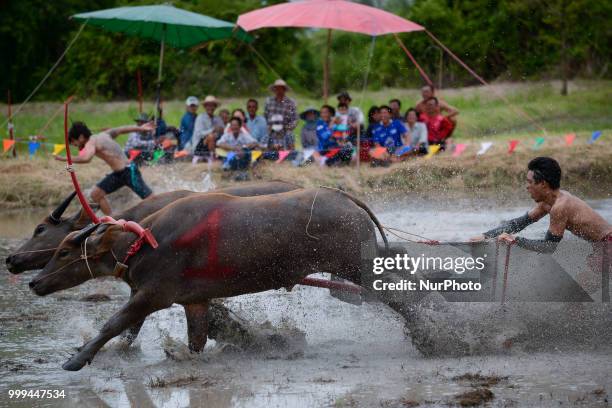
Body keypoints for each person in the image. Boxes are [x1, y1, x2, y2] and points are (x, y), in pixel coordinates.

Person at [55, 121, 154, 215]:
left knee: (150, 199)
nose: (75, 146)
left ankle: (165, 208)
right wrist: (141, 128)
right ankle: (113, 220)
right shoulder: (104, 134)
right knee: (96, 194)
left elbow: (86, 158)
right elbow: (121, 129)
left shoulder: (91, 142)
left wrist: (63, 158)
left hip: (129, 172)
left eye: (74, 142)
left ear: (81, 137)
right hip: (119, 174)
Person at [264, 79, 297, 153]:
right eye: (277, 88)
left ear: (284, 89)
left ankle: (290, 154)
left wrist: (288, 128)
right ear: (274, 90)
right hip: (271, 131)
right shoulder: (269, 102)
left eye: (281, 88)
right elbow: (265, 116)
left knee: (290, 136)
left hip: (285, 131)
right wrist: (268, 127)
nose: (279, 90)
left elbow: (295, 119)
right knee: (265, 140)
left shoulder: (290, 102)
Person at [192, 95, 224, 160]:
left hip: (214, 142)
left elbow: (222, 130)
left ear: (215, 107)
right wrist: (213, 130)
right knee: (211, 137)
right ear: (205, 107)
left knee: (222, 139)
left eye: (212, 105)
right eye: (208, 105)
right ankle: (213, 158)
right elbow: (199, 134)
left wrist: (220, 131)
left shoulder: (218, 119)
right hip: (199, 145)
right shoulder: (200, 118)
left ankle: (225, 157)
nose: (210, 108)